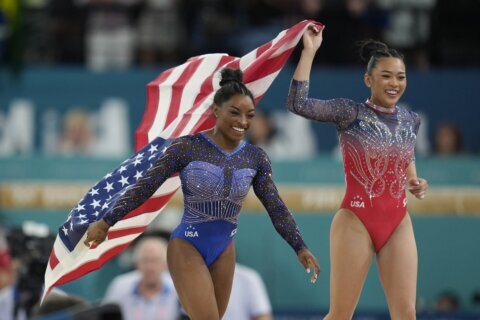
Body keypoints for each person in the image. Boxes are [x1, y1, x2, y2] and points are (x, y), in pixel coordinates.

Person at [84, 68, 320, 320]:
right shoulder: (187, 148)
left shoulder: (255, 157)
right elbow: (145, 187)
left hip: (224, 248)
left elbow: (276, 206)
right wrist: (107, 220)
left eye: (249, 115)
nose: (243, 121)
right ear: (215, 111)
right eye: (234, 112)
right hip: (188, 245)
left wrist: (299, 246)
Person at [287, 25, 428, 319]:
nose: (394, 83)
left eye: (400, 76)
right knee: (340, 314)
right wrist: (309, 52)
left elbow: (406, 149)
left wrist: (413, 178)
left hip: (398, 220)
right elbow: (297, 104)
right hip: (356, 219)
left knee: (407, 313)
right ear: (368, 79)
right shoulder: (349, 113)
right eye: (386, 75)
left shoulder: (410, 119)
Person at [103, 236, 180, 320]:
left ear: (165, 265)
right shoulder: (120, 286)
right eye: (145, 261)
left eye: (155, 261)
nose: (150, 267)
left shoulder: (178, 289)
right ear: (137, 264)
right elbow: (106, 315)